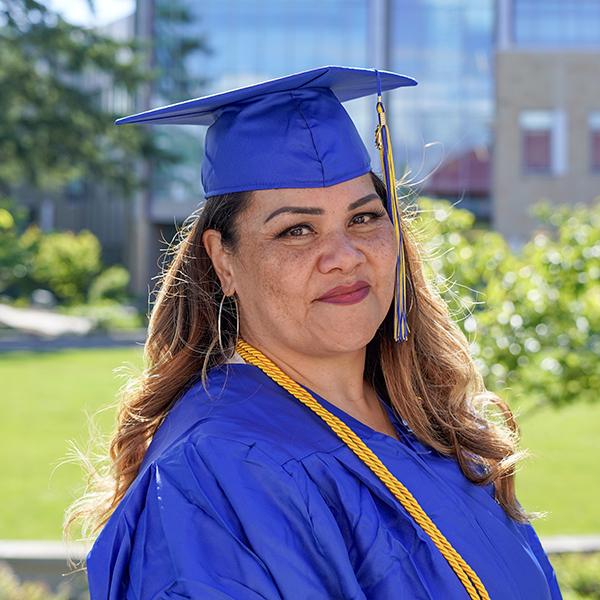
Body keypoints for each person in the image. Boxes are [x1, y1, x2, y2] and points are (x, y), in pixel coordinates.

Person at [71, 66, 562, 599]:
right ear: (223, 261)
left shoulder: (427, 422)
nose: (345, 257)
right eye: (296, 230)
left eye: (364, 218)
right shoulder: (215, 469)